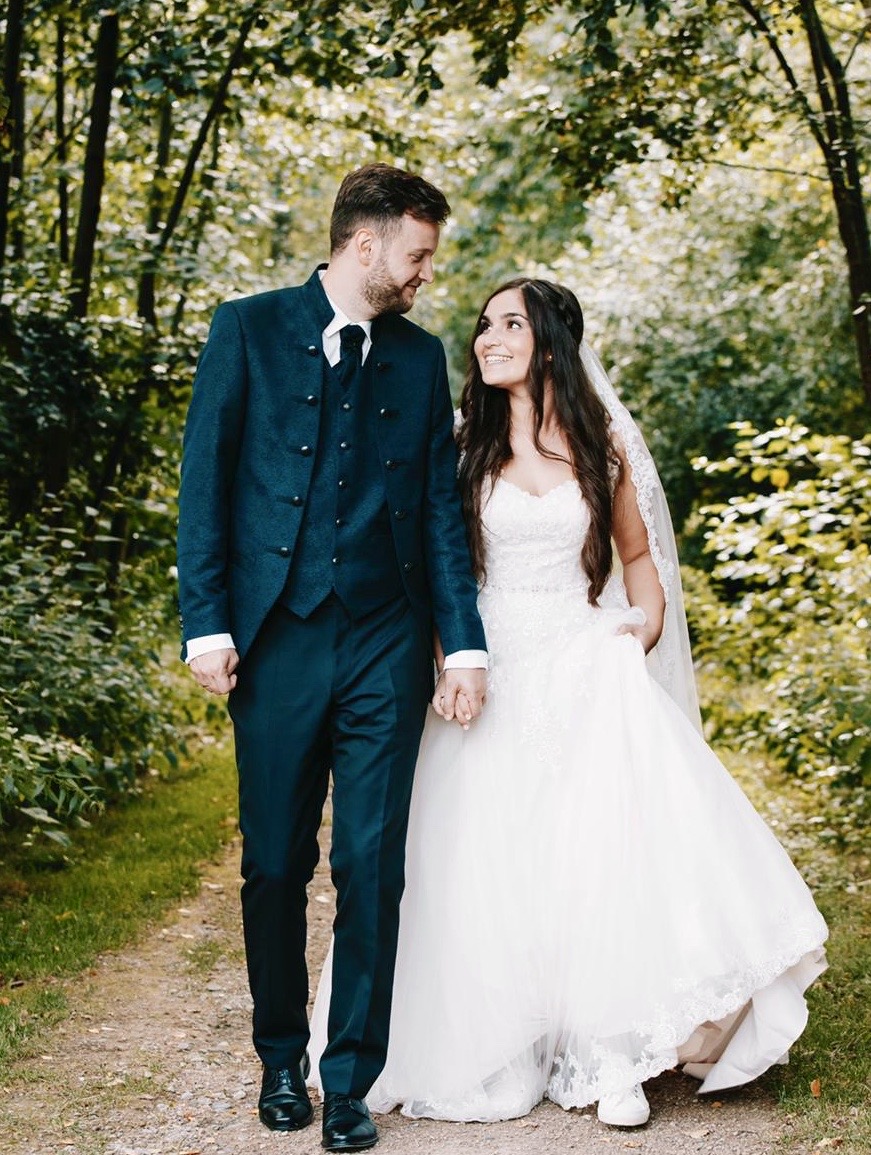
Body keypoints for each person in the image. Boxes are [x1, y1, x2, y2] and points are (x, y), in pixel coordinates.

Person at [308, 277, 829, 1129]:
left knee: (599, 854)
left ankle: (613, 1049)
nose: (486, 337)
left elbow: (637, 557)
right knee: (484, 858)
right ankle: (499, 1038)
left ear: (549, 340)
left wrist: (640, 631)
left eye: (508, 322)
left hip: (583, 661)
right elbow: (433, 561)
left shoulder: (603, 443)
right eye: (482, 324)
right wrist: (449, 651)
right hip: (487, 664)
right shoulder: (459, 440)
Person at [176, 163, 488, 1151]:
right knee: (274, 862)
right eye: (420, 253)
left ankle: (348, 1080)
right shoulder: (246, 328)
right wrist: (207, 623)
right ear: (369, 244)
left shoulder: (418, 355)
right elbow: (205, 484)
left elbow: (439, 509)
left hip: (385, 642)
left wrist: (462, 643)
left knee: (370, 863)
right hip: (275, 640)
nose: (427, 273)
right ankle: (279, 1062)